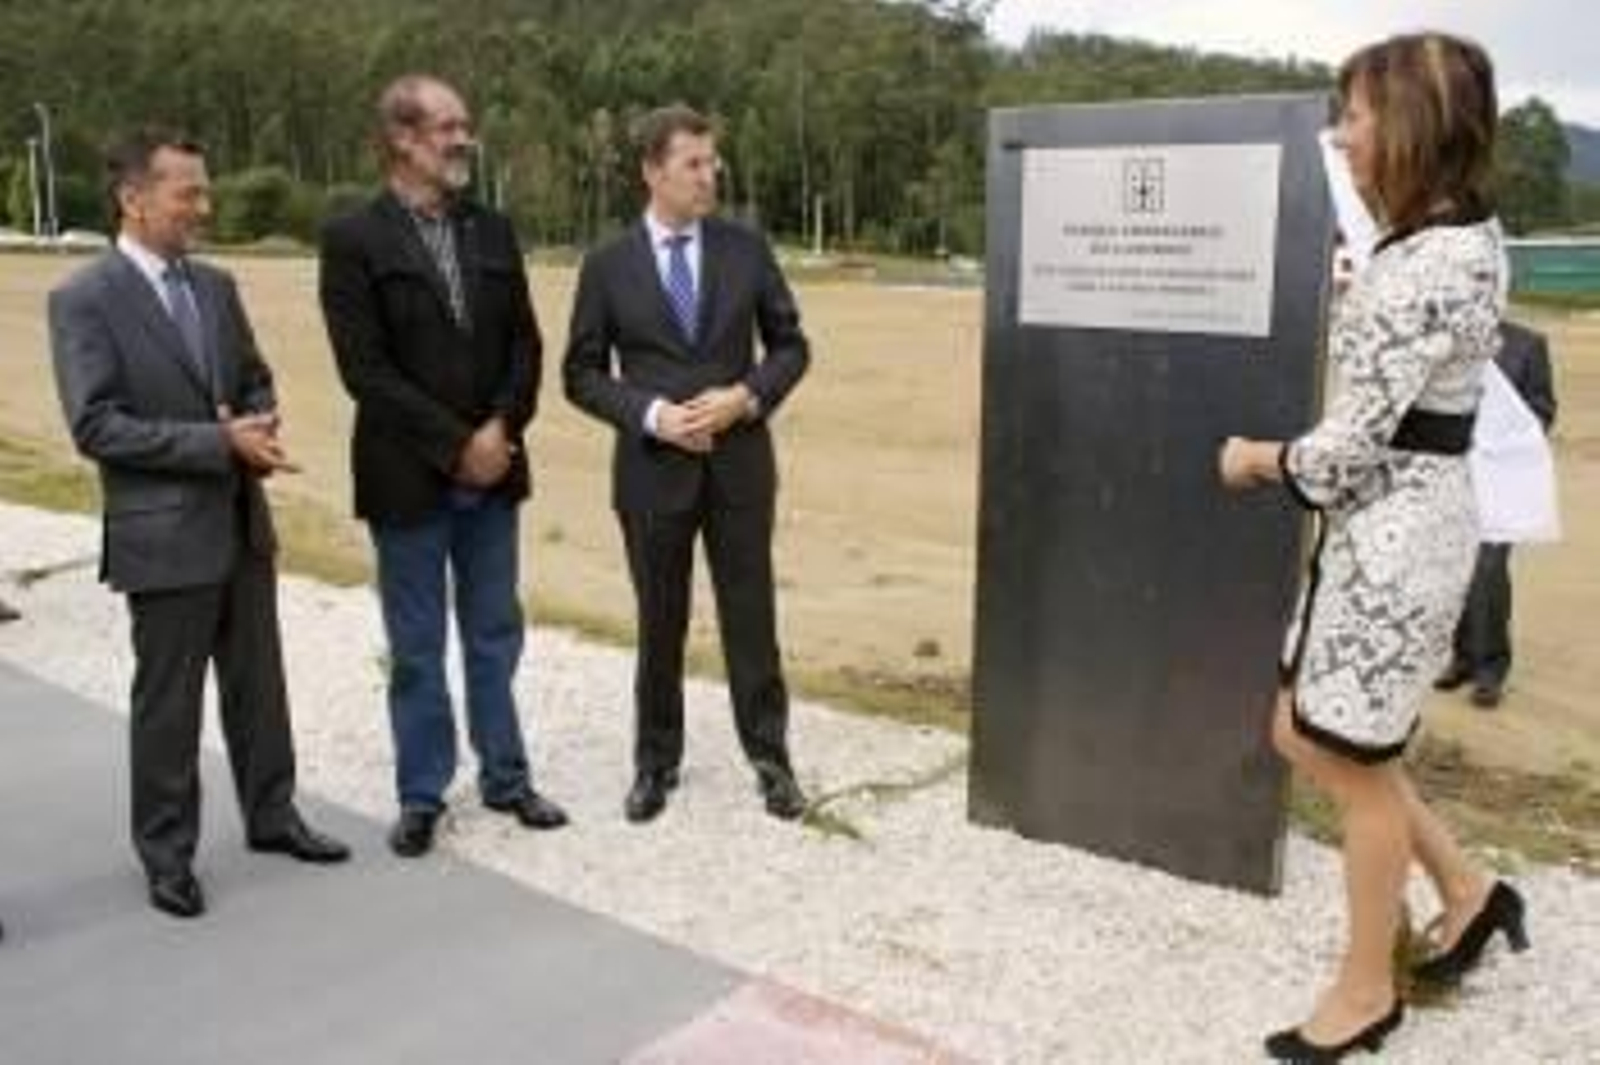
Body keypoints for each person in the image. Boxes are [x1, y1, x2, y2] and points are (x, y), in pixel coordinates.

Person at [1219, 33, 1528, 1062]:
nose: (1340, 133)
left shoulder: (1414, 269)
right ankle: (1469, 890)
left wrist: (1256, 457)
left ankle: (1364, 995)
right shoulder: (1473, 237)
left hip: (1388, 538)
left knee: (1345, 759)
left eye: (1353, 113)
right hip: (1412, 522)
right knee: (1315, 733)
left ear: (1405, 124)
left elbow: (1343, 454)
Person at [48, 128, 349, 920]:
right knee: (169, 704)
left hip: (241, 521)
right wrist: (219, 441)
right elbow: (96, 425)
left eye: (205, 192)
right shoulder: (82, 299)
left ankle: (273, 816)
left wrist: (259, 415)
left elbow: (251, 375)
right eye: (190, 194)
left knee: (259, 686)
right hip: (162, 536)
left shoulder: (216, 286)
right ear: (134, 199)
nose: (204, 207)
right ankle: (166, 854)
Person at [319, 75, 566, 858]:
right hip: (408, 479)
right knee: (417, 646)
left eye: (466, 125)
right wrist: (458, 446)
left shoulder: (494, 229)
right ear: (401, 138)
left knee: (495, 631)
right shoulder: (354, 239)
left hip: (496, 477)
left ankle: (507, 776)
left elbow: (526, 345)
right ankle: (421, 792)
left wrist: (499, 428)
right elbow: (366, 371)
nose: (463, 138)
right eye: (447, 126)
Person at [563, 104, 810, 824]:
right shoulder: (607, 265)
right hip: (649, 473)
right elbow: (580, 374)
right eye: (694, 164)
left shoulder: (746, 248)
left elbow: (792, 347)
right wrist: (652, 415)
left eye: (713, 162)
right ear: (651, 171)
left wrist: (746, 396)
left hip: (740, 469)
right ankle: (654, 763)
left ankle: (771, 759)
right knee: (659, 620)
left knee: (751, 616)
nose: (711, 176)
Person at [1435, 319, 1557, 708]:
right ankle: (1464, 659)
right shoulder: (1449, 341)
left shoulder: (1529, 343)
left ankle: (1491, 669)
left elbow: (1543, 409)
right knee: (1455, 570)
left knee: (1488, 571)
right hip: (1452, 476)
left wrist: (1502, 435)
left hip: (1500, 480)